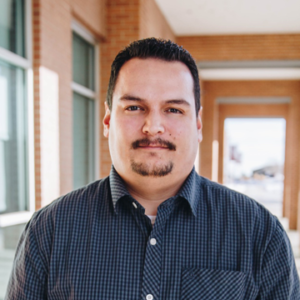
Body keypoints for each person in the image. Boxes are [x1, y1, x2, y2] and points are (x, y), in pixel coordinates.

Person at [5, 38, 300, 299]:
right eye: (134, 107)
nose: (153, 127)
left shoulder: (259, 233)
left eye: (173, 109)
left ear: (197, 124)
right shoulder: (50, 230)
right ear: (108, 121)